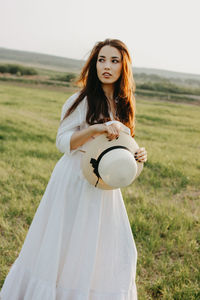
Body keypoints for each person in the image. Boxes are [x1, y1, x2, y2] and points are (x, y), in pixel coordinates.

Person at [0, 38, 147, 300]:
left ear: (124, 67)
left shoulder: (125, 103)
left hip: (103, 184)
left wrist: (137, 156)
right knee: (65, 243)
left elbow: (122, 145)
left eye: (114, 61)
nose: (107, 66)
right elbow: (62, 142)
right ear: (94, 64)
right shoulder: (79, 100)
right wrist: (95, 129)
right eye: (102, 59)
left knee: (107, 247)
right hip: (75, 178)